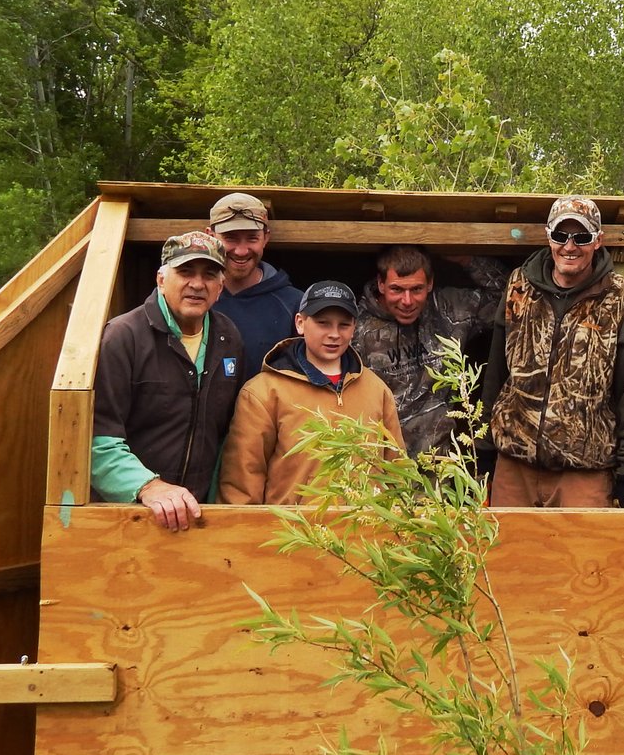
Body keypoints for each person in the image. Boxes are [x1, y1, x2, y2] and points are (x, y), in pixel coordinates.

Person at [479, 196, 624, 509]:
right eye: (561, 236)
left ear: (598, 241)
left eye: (582, 237)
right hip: (514, 464)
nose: (569, 246)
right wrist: (483, 448)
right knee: (506, 555)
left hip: (584, 470)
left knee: (586, 558)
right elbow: (495, 372)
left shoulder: (623, 300)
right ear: (549, 236)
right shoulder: (518, 286)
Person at [91, 231, 245, 531]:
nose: (197, 284)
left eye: (209, 274)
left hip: (198, 514)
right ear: (161, 279)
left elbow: (226, 433)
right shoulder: (124, 337)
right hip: (126, 514)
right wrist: (149, 487)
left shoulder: (229, 338)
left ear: (220, 287)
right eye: (185, 271)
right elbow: (96, 438)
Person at [219, 280, 404, 505]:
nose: (334, 334)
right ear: (300, 322)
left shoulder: (376, 389)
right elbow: (242, 481)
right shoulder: (263, 392)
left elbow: (396, 471)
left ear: (354, 327)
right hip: (292, 534)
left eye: (343, 325)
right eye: (323, 323)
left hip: (363, 535)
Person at [353, 245, 506, 456]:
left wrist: (468, 260)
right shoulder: (355, 330)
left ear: (430, 283)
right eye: (397, 289)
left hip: (439, 459)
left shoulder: (448, 308)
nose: (407, 301)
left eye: (416, 289)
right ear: (381, 284)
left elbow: (511, 299)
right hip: (383, 458)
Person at [208, 192, 303, 381]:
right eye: (230, 238)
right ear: (210, 236)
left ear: (266, 238)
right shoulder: (192, 298)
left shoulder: (294, 304)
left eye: (252, 238)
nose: (241, 251)